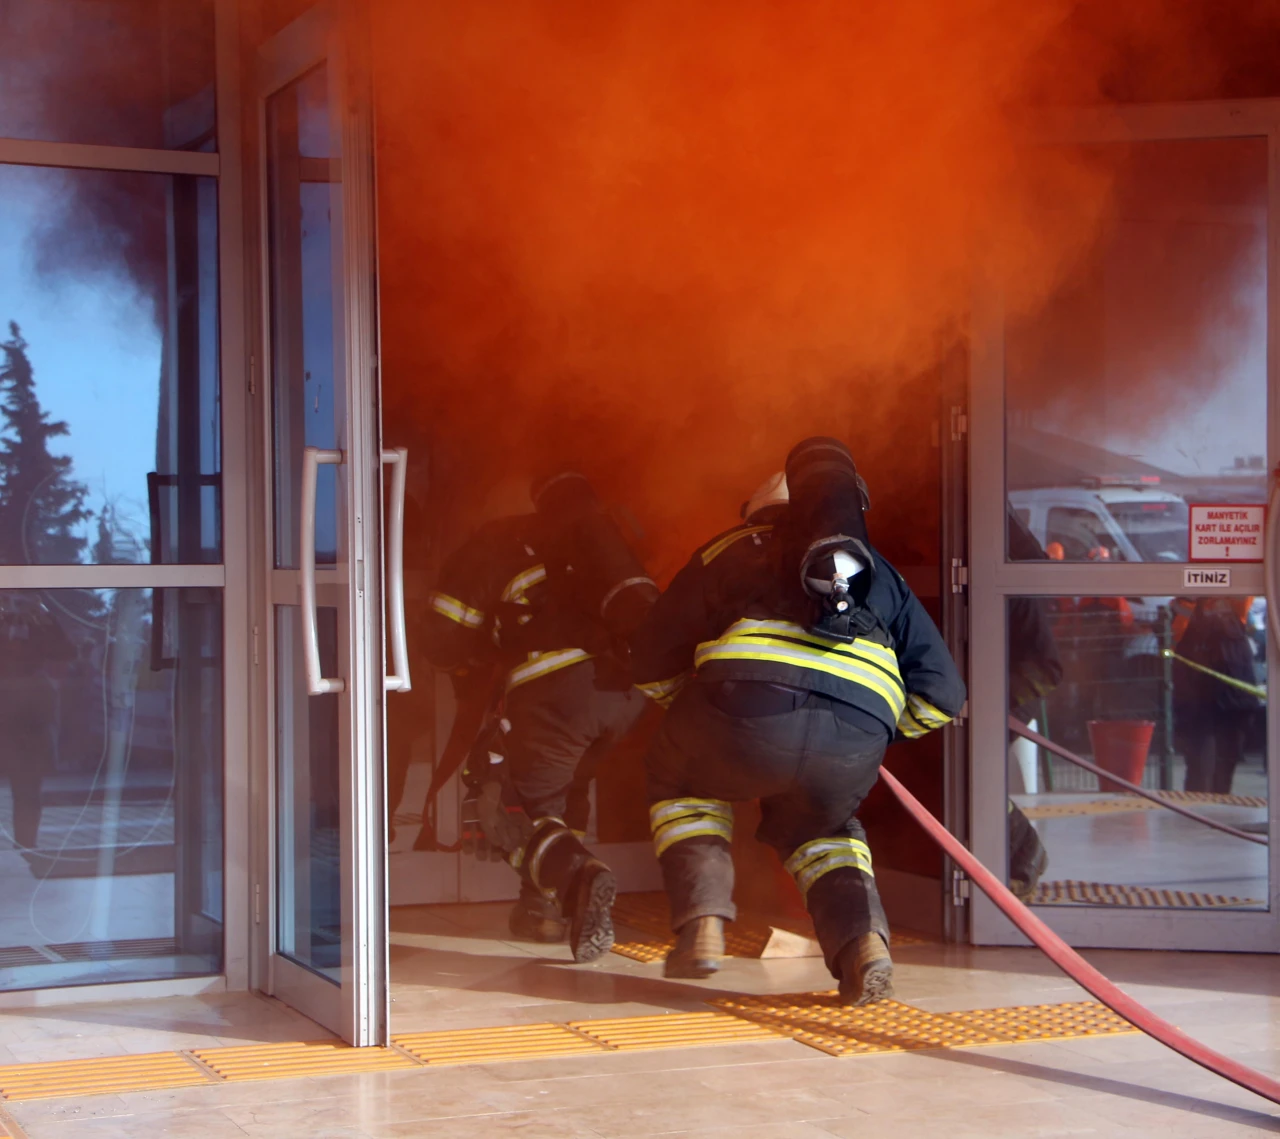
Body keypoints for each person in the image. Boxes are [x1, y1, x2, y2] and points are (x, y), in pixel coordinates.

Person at [630, 438, 965, 1003]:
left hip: (743, 713)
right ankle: (864, 945)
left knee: (681, 784)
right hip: (854, 737)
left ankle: (703, 921)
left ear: (756, 512)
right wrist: (877, 735)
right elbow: (943, 695)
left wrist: (692, 710)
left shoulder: (728, 551)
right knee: (828, 831)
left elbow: (649, 658)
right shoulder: (878, 574)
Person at [422, 469, 656, 960]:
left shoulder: (498, 538)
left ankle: (576, 877)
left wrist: (467, 660)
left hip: (556, 690)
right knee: (560, 791)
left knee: (503, 801)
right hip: (626, 694)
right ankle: (543, 913)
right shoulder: (603, 536)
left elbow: (442, 636)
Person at [1172, 597, 1261, 795]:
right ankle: (1197, 817)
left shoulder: (1236, 606)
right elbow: (1176, 634)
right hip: (1199, 704)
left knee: (1225, 768)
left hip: (1235, 702)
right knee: (1200, 770)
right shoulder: (1182, 607)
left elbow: (1245, 588)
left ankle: (1219, 814)